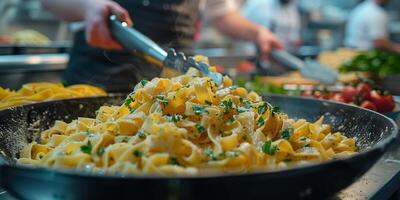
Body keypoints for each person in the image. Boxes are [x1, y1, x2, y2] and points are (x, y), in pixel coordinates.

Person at [40, 0, 283, 92]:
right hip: (97, 87)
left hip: (184, 91)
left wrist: (257, 33)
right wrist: (87, 7)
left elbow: (220, 14)